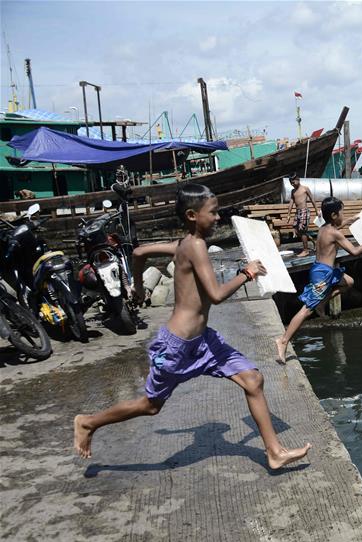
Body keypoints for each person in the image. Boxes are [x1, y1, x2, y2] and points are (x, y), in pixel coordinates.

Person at [73, 184, 312, 470]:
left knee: (252, 379)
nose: (218, 218)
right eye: (212, 213)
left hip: (204, 341)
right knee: (151, 406)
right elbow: (216, 295)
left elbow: (138, 253)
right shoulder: (195, 246)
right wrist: (246, 273)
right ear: (191, 215)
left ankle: (274, 452)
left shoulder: (183, 243)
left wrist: (137, 288)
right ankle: (88, 422)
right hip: (178, 346)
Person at [275, 197, 362, 364]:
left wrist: (348, 220)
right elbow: (354, 251)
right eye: (342, 213)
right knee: (306, 310)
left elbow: (335, 228)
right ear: (333, 215)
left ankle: (321, 303)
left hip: (325, 270)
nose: (343, 215)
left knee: (349, 282)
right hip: (322, 276)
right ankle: (283, 341)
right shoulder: (335, 233)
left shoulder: (324, 228)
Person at [288, 174, 320, 257]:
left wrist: (317, 211)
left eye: (293, 182)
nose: (293, 184)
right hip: (297, 212)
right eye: (291, 183)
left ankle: (306, 250)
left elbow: (312, 199)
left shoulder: (305, 188)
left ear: (298, 179)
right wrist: (289, 214)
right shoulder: (293, 191)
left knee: (302, 230)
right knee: (297, 231)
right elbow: (291, 202)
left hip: (304, 211)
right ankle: (312, 241)